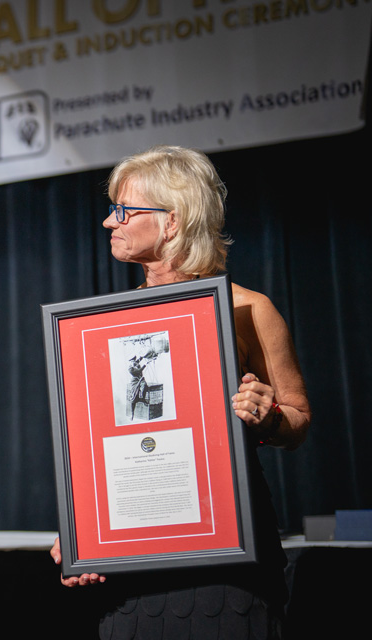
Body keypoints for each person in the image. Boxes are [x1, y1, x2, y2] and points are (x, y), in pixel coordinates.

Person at [50, 145, 311, 638]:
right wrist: (81, 527)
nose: (109, 223)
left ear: (172, 221)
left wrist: (269, 414)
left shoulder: (249, 309)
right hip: (132, 564)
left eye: (123, 211)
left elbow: (298, 420)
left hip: (227, 556)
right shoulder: (105, 327)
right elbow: (99, 442)